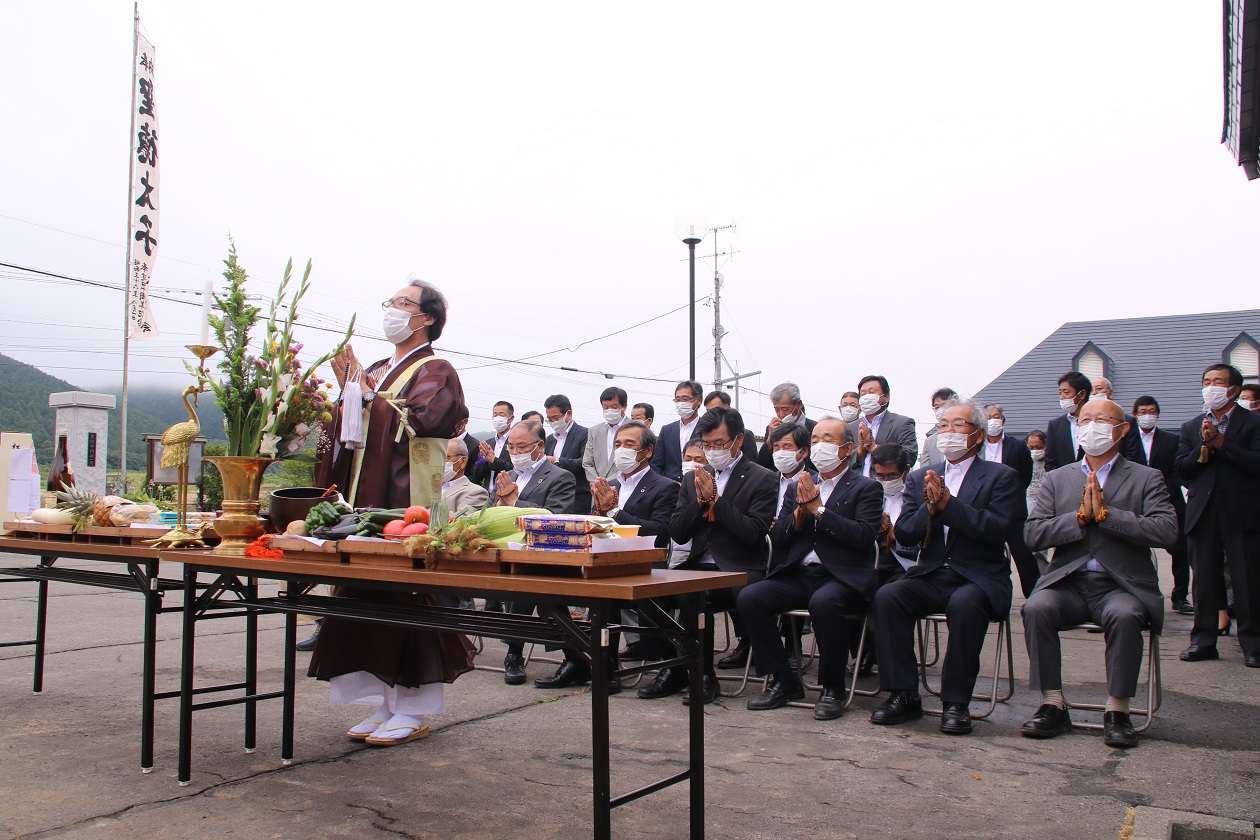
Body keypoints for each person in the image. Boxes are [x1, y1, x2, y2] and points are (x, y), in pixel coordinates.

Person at [311, 279, 475, 747]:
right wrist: (346, 395)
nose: (392, 310)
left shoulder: (436, 369)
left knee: (404, 597)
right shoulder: (381, 368)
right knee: (365, 598)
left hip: (405, 499)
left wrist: (364, 397)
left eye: (403, 303)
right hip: (366, 496)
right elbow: (351, 425)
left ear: (427, 319)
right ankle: (385, 702)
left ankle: (414, 707)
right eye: (390, 302)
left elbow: (427, 419)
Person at [1022, 398, 1178, 748]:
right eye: (1084, 419)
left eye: (1102, 419)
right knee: (1035, 607)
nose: (1091, 426)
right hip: (1069, 582)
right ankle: (1052, 703)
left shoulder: (1146, 477)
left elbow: (1167, 531)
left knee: (1124, 615)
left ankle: (1117, 709)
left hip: (1121, 585)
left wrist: (1110, 516)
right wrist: (1078, 518)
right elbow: (1032, 534)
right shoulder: (1058, 478)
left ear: (1121, 430)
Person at [869, 400, 1022, 735]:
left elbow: (997, 530)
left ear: (978, 435)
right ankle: (903, 693)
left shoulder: (1002, 476)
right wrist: (930, 507)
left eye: (958, 425)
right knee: (888, 596)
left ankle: (956, 702)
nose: (948, 432)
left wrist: (949, 506)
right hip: (934, 572)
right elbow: (906, 531)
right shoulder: (923, 476)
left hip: (978, 575)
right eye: (943, 425)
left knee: (965, 604)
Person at [739, 418, 882, 720]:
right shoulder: (801, 484)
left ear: (846, 449)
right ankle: (783, 680)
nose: (819, 446)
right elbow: (778, 539)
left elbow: (863, 537)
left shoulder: (866, 487)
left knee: (825, 602)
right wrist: (797, 518)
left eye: (827, 440)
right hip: (801, 574)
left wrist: (819, 511)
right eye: (815, 440)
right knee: (751, 597)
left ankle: (833, 688)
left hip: (842, 576)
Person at [641, 408, 777, 704]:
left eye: (719, 444)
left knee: (693, 594)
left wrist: (716, 501)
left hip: (739, 568)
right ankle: (672, 666)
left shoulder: (762, 478)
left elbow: (754, 532)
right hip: (698, 565)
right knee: (645, 592)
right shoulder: (693, 479)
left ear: (738, 440)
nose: (713, 451)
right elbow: (677, 532)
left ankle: (703, 676)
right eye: (707, 444)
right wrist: (700, 504)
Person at [1176, 364, 1260, 669]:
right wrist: (1204, 446)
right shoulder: (1191, 426)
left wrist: (1223, 445)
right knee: (1205, 580)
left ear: (1234, 390)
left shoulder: (1253, 424)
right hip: (1203, 511)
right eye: (1206, 381)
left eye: (1218, 382)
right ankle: (1203, 641)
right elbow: (1182, 469)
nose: (1210, 386)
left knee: (1246, 579)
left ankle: (1253, 643)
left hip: (1241, 511)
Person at [495, 420, 579, 686]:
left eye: (522, 446)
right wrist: (499, 503)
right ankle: (572, 654)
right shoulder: (508, 474)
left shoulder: (560, 476)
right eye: (510, 446)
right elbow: (492, 510)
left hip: (546, 556)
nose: (515, 451)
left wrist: (514, 503)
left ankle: (514, 653)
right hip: (510, 552)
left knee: (529, 584)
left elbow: (555, 517)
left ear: (539, 446)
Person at [591, 421, 679, 663]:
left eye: (629, 444)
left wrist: (615, 513)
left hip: (646, 566)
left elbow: (659, 533)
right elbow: (595, 527)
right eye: (617, 444)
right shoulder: (610, 485)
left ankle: (661, 663)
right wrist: (599, 515)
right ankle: (601, 665)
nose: (622, 450)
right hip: (608, 564)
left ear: (647, 451)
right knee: (588, 592)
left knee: (650, 596)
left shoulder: (665, 486)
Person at [1131, 396, 1192, 615]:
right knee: (1136, 549)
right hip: (1135, 500)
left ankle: (1180, 596)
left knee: (1180, 548)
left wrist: (1164, 492)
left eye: (1152, 411)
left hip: (1169, 498)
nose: (1148, 415)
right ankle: (1140, 595)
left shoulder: (1171, 440)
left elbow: (1178, 470)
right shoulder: (1128, 439)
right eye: (1143, 411)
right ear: (1135, 414)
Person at [984, 404, 1039, 597]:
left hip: (1013, 511)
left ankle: (1035, 597)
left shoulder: (1017, 446)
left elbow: (1026, 475)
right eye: (988, 417)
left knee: (1024, 557)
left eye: (996, 416)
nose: (993, 421)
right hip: (985, 511)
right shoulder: (977, 447)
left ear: (1003, 420)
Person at [851, 375, 918, 476]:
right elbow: (841, 459)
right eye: (863, 394)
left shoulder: (902, 423)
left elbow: (910, 457)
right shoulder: (851, 427)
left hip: (886, 487)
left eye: (872, 392)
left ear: (886, 397)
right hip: (856, 488)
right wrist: (859, 452)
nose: (867, 397)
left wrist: (875, 448)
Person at [543, 394, 591, 515]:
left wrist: (557, 461)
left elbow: (585, 463)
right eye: (549, 419)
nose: (553, 422)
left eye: (556, 418)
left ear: (568, 414)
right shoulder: (550, 439)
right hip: (554, 498)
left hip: (578, 498)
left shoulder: (585, 434)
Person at [755, 383, 817, 472]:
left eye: (785, 409)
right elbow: (762, 465)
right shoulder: (771, 428)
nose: (781, 414)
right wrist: (769, 441)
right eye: (777, 409)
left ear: (799, 404)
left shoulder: (815, 428)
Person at [653, 381, 705, 481]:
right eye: (677, 400)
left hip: (698, 483)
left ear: (698, 400)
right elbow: (657, 464)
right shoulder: (667, 430)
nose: (681, 403)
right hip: (670, 487)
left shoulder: (707, 429)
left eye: (685, 399)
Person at [1045, 372, 1090, 471]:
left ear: (1082, 394)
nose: (1062, 397)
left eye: (1066, 392)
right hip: (1064, 482)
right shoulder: (1055, 425)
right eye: (1060, 393)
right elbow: (1050, 461)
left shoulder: (1097, 422)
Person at [583, 386, 629, 483]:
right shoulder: (594, 431)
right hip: (597, 490)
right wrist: (596, 483)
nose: (609, 411)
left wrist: (607, 483)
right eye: (605, 407)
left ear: (624, 406)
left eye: (614, 407)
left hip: (624, 486)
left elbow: (632, 463)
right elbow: (587, 463)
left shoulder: (635, 430)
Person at [1089, 378, 1141, 460]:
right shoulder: (1086, 422)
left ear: (1110, 393)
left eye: (1099, 388)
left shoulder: (1128, 421)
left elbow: (1133, 454)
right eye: (1091, 390)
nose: (1094, 393)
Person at [704, 390, 761, 461]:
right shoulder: (703, 435)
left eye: (719, 444)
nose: (712, 414)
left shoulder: (745, 435)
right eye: (708, 411)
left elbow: (752, 464)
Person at [442, 437, 489, 517]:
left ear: (462, 461)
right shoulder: (429, 488)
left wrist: (424, 513)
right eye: (438, 457)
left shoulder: (476, 492)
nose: (441, 462)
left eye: (446, 457)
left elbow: (461, 519)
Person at [477, 401, 515, 489]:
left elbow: (515, 470)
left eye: (502, 415)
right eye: (495, 415)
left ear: (511, 418)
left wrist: (494, 460)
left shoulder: (516, 443)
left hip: (506, 494)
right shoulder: (488, 443)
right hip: (487, 494)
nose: (498, 418)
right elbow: (478, 474)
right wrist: (482, 460)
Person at [919, 387, 959, 468]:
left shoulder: (966, 434)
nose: (940, 410)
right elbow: (924, 471)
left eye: (943, 405)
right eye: (936, 407)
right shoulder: (930, 442)